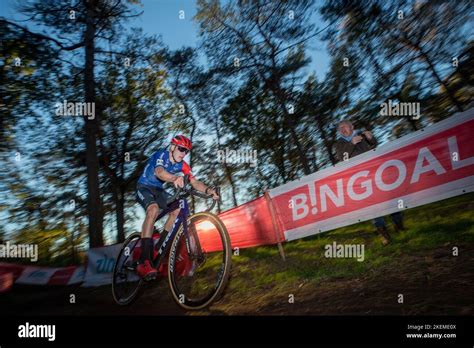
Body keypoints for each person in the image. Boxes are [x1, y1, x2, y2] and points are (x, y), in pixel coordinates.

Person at [135, 135, 219, 279]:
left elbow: (195, 182)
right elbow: (159, 172)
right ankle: (144, 259)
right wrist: (175, 178)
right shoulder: (162, 154)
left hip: (158, 191)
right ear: (173, 147)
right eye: (181, 149)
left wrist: (209, 191)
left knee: (178, 209)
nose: (183, 153)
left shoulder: (182, 165)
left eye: (186, 151)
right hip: (143, 187)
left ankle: (158, 248)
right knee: (153, 209)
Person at [334, 120, 405, 245]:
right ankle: (383, 234)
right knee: (373, 205)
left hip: (375, 173)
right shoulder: (339, 144)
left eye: (344, 126)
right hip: (360, 179)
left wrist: (371, 138)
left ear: (352, 127)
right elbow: (342, 158)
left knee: (389, 197)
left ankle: (399, 225)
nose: (342, 129)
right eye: (340, 128)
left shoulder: (361, 135)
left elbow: (374, 145)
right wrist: (351, 143)